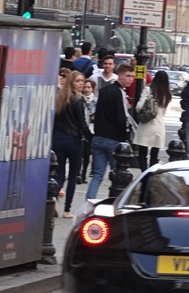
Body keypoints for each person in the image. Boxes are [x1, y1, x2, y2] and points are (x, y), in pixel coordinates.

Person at [85, 63, 136, 200]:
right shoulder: (119, 93)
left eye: (132, 77)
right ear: (120, 75)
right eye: (128, 76)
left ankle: (89, 202)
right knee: (120, 174)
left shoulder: (105, 90)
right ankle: (118, 202)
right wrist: (125, 136)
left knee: (97, 175)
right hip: (113, 139)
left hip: (99, 137)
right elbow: (120, 117)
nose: (130, 79)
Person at [52, 71, 92, 218]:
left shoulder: (60, 98)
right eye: (78, 81)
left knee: (59, 173)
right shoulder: (78, 100)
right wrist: (90, 139)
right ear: (71, 82)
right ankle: (67, 209)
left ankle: (54, 197)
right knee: (73, 175)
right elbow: (81, 123)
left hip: (58, 139)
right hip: (73, 140)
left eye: (82, 81)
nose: (81, 83)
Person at [134, 70, 172, 171]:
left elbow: (138, 107)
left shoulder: (148, 90)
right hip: (159, 126)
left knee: (142, 154)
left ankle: (144, 174)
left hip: (146, 125)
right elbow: (163, 113)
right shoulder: (167, 95)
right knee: (154, 156)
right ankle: (151, 174)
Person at [79, 79, 97, 184]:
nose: (86, 89)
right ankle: (78, 173)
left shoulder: (96, 101)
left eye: (89, 87)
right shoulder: (79, 100)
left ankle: (84, 174)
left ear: (93, 89)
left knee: (87, 154)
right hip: (82, 129)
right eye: (85, 87)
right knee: (80, 153)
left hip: (91, 129)